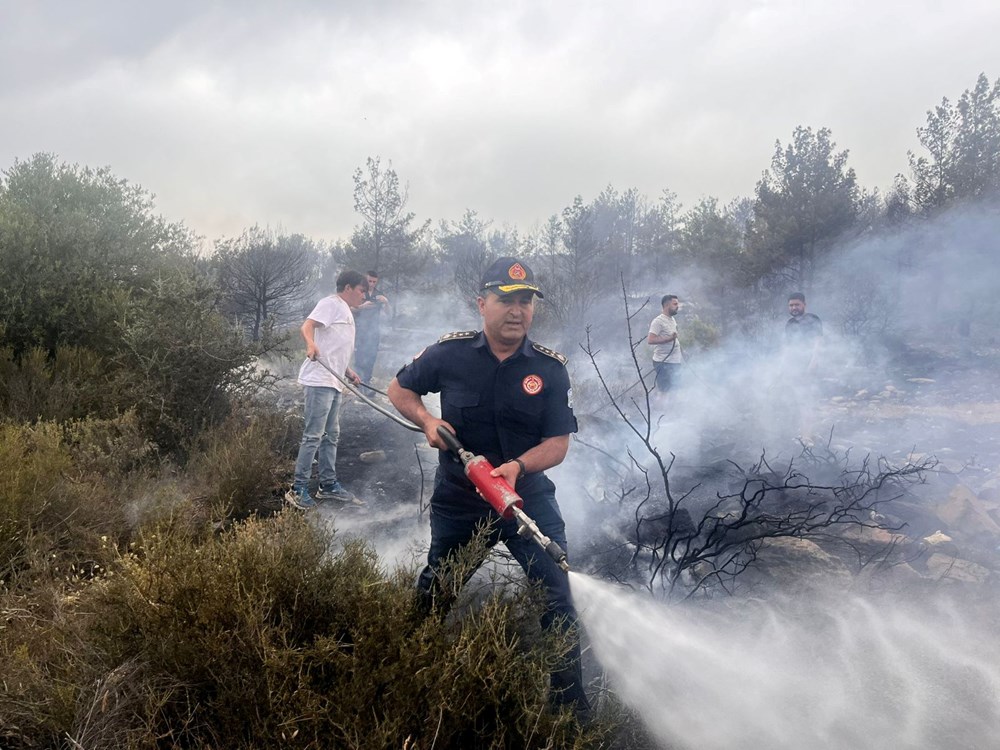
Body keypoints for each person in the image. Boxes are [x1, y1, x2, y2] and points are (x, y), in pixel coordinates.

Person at [387, 257, 590, 713]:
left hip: (526, 501)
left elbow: (557, 443)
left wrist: (517, 466)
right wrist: (426, 419)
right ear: (482, 304)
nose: (517, 310)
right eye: (506, 300)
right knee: (437, 590)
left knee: (558, 595)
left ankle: (570, 710)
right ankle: (404, 682)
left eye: (525, 301)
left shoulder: (550, 370)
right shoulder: (449, 354)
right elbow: (399, 390)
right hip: (461, 502)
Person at [286, 270, 367, 510]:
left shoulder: (345, 311)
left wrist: (347, 371)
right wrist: (310, 344)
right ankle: (298, 488)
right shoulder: (331, 304)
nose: (364, 296)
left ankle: (328, 485)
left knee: (331, 435)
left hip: (333, 380)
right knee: (314, 435)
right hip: (319, 380)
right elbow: (308, 325)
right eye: (362, 291)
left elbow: (334, 347)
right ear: (348, 288)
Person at [783, 292, 823, 441]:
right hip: (795, 367)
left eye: (797, 304)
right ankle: (803, 433)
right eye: (791, 305)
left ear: (804, 305)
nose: (794, 307)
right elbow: (787, 347)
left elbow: (818, 342)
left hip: (808, 366)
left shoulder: (812, 319)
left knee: (807, 400)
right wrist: (783, 365)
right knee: (798, 400)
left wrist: (813, 361)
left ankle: (807, 436)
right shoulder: (790, 324)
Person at [352, 270, 389, 385]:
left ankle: (366, 381)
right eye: (369, 281)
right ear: (365, 279)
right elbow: (349, 309)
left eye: (374, 282)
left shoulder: (379, 294)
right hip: (360, 330)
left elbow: (388, 314)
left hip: (373, 331)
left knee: (371, 356)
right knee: (359, 357)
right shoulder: (359, 292)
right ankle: (357, 381)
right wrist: (363, 306)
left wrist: (386, 302)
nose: (372, 284)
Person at [647, 294, 684, 393]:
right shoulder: (658, 321)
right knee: (665, 392)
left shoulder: (672, 320)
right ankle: (660, 409)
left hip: (675, 362)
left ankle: (671, 408)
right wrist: (669, 339)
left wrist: (683, 353)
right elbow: (650, 340)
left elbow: (675, 340)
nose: (677, 306)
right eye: (675, 304)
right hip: (663, 363)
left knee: (675, 390)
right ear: (667, 305)